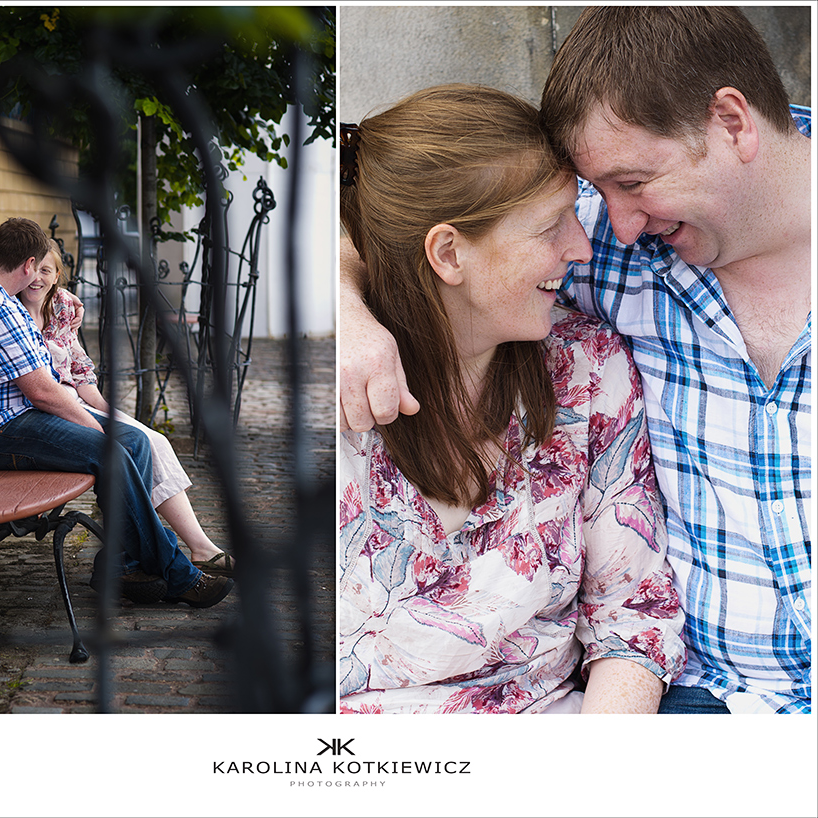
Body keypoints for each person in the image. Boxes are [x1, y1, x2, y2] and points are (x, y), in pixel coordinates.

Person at [339, 8, 810, 713]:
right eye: (602, 190)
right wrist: (344, 307)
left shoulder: (577, 323)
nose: (608, 228)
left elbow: (632, 614)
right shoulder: (617, 247)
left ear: (733, 123)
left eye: (632, 182)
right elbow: (384, 209)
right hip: (717, 701)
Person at [338, 84, 684, 714]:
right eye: (551, 225)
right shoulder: (345, 385)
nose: (582, 249)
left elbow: (631, 619)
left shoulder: (586, 370)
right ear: (448, 254)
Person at [0, 217, 234, 608]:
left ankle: (121, 564)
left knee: (134, 441)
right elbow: (43, 392)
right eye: (36, 268)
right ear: (27, 264)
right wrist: (97, 428)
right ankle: (179, 574)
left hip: (15, 417)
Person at [17, 239, 235, 577]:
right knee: (135, 445)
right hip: (45, 415)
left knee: (153, 439)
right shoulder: (10, 313)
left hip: (74, 403)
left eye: (46, 271)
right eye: (33, 269)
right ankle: (143, 552)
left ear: (58, 275)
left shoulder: (61, 308)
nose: (37, 278)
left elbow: (79, 372)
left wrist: (110, 411)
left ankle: (200, 545)